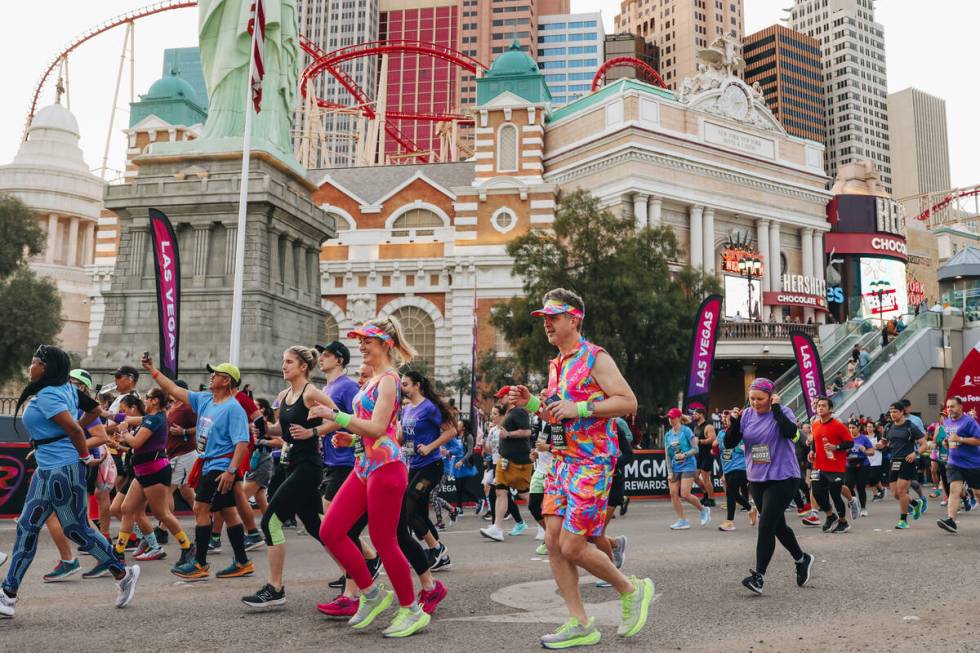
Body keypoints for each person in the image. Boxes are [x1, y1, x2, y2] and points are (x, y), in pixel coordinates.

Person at [509, 289, 654, 648]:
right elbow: (557, 410)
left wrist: (582, 409)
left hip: (592, 464)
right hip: (561, 462)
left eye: (553, 317)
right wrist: (531, 401)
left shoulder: (595, 357)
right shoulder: (557, 363)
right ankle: (579, 622)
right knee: (553, 542)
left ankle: (632, 589)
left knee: (573, 546)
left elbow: (628, 402)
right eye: (544, 318)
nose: (546, 324)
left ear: (574, 319)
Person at [311, 318, 431, 638]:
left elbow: (380, 429)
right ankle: (372, 593)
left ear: (386, 344)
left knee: (384, 541)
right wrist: (349, 439)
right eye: (360, 340)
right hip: (365, 465)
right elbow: (375, 431)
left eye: (368, 341)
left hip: (387, 469)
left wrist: (335, 417)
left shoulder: (390, 379)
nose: (361, 346)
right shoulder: (371, 379)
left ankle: (412, 610)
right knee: (331, 530)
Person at [1, 345, 140, 618]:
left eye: (33, 362)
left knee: (76, 528)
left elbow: (77, 428)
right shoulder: (63, 388)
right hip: (48, 468)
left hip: (63, 469)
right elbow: (95, 408)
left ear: (45, 367)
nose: (30, 367)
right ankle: (8, 594)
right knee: (28, 527)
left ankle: (123, 574)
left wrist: (85, 455)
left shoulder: (51, 393)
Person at [141, 354, 254, 580]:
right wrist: (152, 370)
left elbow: (241, 442)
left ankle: (200, 563)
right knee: (228, 512)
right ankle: (242, 562)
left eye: (217, 375)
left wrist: (231, 472)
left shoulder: (234, 408)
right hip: (208, 463)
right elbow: (172, 388)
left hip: (221, 465)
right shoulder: (205, 400)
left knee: (200, 509)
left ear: (227, 381)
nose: (212, 377)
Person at [242, 346, 338, 609]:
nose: (284, 366)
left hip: (309, 466)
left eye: (289, 362)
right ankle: (361, 565)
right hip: (291, 464)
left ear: (303, 367)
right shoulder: (284, 395)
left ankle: (275, 588)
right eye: (283, 361)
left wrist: (313, 433)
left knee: (270, 521)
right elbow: (283, 432)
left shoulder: (312, 393)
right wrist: (263, 427)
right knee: (319, 527)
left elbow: (340, 419)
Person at [722, 378, 813, 595]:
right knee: (778, 526)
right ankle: (802, 558)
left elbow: (792, 433)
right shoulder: (746, 416)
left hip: (783, 476)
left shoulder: (783, 412)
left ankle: (759, 576)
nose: (755, 403)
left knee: (766, 525)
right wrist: (734, 423)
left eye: (760, 399)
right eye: (751, 399)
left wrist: (776, 408)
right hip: (757, 478)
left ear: (771, 396)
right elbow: (729, 443)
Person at [111, 390, 195, 564]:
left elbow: (135, 443)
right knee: (126, 508)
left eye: (148, 398)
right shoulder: (150, 418)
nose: (145, 400)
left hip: (154, 470)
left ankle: (187, 546)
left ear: (155, 401)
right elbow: (127, 419)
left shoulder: (155, 419)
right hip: (142, 471)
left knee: (162, 513)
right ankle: (119, 551)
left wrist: (124, 433)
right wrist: (108, 417)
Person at [399, 369, 456, 583]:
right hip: (413, 465)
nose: (402, 388)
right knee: (418, 515)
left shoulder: (429, 407)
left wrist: (430, 446)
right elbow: (403, 438)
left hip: (431, 466)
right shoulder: (406, 410)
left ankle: (437, 548)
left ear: (417, 386)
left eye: (405, 384)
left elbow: (451, 431)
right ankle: (440, 555)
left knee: (408, 507)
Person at [480, 387, 532, 542]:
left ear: (510, 398)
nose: (498, 401)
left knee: (524, 494)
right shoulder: (510, 414)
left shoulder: (519, 412)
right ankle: (497, 528)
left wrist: (508, 434)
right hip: (505, 460)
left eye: (501, 397)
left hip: (519, 461)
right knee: (500, 492)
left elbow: (527, 432)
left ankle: (546, 524)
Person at [809, 396, 854, 534]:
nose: (820, 408)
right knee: (816, 492)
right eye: (818, 406)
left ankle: (843, 522)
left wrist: (836, 447)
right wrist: (812, 451)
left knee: (835, 494)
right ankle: (830, 516)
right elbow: (815, 442)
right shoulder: (815, 424)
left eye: (823, 405)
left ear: (830, 409)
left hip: (835, 467)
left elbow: (850, 443)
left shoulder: (839, 426)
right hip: (818, 466)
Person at [878, 401, 926, 529]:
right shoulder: (888, 427)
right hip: (894, 461)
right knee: (895, 494)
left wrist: (915, 453)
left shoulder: (910, 427)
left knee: (901, 491)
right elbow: (883, 443)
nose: (892, 414)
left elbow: (924, 444)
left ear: (902, 412)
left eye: (895, 412)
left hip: (907, 461)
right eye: (891, 412)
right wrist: (876, 446)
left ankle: (903, 520)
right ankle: (916, 504)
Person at [937, 396, 980, 533]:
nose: (949, 409)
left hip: (972, 464)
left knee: (978, 493)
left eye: (952, 406)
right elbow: (950, 438)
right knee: (954, 491)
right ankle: (951, 521)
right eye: (948, 406)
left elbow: (978, 441)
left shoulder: (969, 422)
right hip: (954, 462)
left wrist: (960, 439)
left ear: (961, 407)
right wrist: (946, 442)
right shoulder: (947, 422)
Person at [664, 408, 710, 530]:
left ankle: (703, 509)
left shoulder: (686, 431)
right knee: (673, 493)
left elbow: (696, 449)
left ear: (679, 418)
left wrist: (684, 455)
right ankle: (682, 520)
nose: (671, 419)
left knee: (684, 494)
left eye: (673, 417)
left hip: (688, 465)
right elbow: (667, 455)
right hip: (674, 467)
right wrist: (669, 472)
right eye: (669, 417)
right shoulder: (668, 435)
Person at [716, 411, 756, 532]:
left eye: (727, 417)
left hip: (740, 467)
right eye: (723, 418)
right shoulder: (721, 433)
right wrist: (722, 472)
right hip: (727, 468)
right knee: (734, 494)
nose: (725, 419)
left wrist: (735, 446)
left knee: (730, 493)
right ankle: (750, 508)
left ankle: (729, 522)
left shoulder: (741, 433)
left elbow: (743, 449)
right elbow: (721, 450)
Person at [844, 420, 875, 517]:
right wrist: (845, 450)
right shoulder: (846, 438)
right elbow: (840, 451)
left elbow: (872, 452)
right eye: (849, 427)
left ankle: (863, 508)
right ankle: (854, 502)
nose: (851, 430)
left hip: (862, 465)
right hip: (849, 465)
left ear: (858, 428)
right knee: (848, 486)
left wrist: (864, 450)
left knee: (860, 487)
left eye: (853, 427)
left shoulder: (864, 438)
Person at [691, 408, 717, 506]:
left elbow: (713, 439)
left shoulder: (708, 426)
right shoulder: (696, 427)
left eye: (695, 414)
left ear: (701, 414)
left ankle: (711, 499)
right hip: (698, 455)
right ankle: (706, 493)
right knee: (694, 476)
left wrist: (701, 441)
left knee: (706, 477)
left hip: (707, 454)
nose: (693, 415)